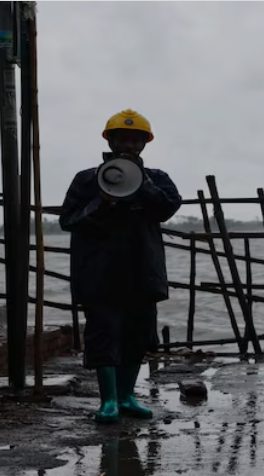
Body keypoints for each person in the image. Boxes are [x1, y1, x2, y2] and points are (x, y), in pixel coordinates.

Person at [60, 109, 182, 423]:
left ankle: (127, 396)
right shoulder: (87, 179)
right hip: (101, 273)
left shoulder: (158, 178)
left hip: (142, 272)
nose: (129, 144)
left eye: (136, 139)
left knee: (138, 335)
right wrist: (102, 201)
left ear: (145, 143)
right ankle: (109, 401)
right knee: (104, 335)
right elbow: (69, 220)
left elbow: (168, 207)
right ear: (110, 140)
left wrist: (142, 184)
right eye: (123, 138)